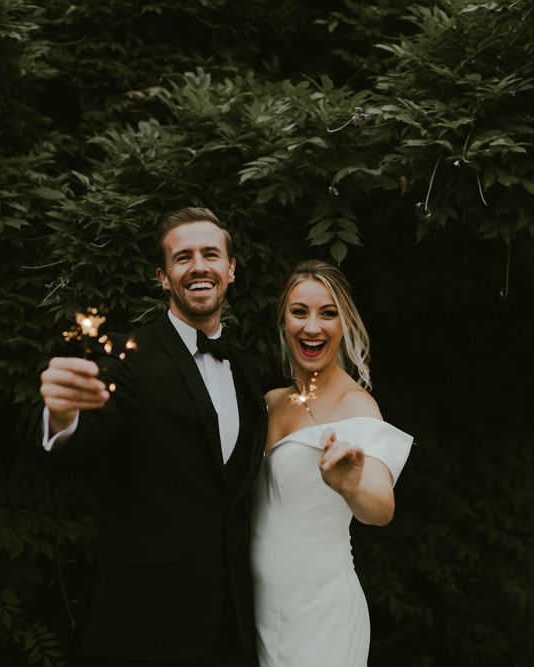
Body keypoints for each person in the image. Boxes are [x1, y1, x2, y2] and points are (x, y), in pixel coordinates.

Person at [39, 207, 267, 666]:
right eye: (183, 258)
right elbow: (83, 438)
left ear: (231, 269)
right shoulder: (131, 358)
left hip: (233, 628)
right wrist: (62, 417)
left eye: (210, 254)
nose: (199, 266)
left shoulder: (248, 369)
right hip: (146, 624)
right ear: (163, 277)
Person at [251, 260, 413, 667]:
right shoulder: (270, 403)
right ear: (283, 321)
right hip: (261, 608)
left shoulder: (357, 406)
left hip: (322, 610)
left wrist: (352, 486)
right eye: (299, 312)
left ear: (344, 324)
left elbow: (381, 507)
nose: (312, 327)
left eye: (328, 313)